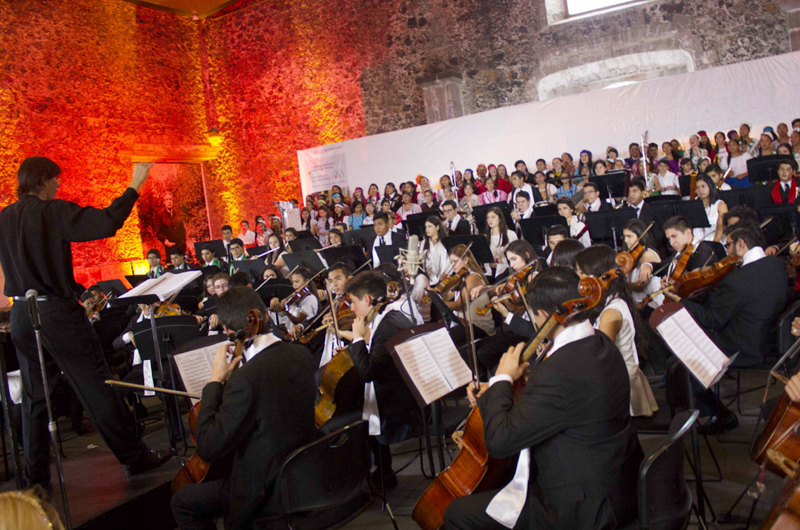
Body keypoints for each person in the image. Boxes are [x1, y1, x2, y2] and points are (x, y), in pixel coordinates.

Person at [0, 158, 173, 491]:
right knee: (96, 386)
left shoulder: (4, 218)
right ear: (43, 181)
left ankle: (35, 481)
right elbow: (106, 223)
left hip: (22, 315)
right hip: (56, 315)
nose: (58, 187)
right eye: (56, 181)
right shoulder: (52, 211)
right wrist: (135, 185)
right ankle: (135, 457)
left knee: (35, 399)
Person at [443, 267, 643, 530]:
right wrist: (497, 387)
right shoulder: (603, 345)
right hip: (617, 482)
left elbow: (500, 442)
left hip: (578, 506)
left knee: (456, 512)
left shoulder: (557, 370)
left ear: (542, 316)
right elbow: (566, 401)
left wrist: (502, 379)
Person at [171, 286, 319, 530]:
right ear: (265, 315)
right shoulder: (301, 353)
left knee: (182, 501)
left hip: (265, 490)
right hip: (302, 474)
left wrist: (215, 382)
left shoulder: (247, 378)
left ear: (229, 331)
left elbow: (208, 447)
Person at [345, 271, 419, 488]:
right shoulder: (389, 316)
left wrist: (358, 338)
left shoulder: (387, 325)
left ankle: (375, 473)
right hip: (394, 389)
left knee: (354, 405)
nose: (351, 309)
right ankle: (382, 470)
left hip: (396, 402)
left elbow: (368, 373)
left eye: (352, 302)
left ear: (367, 299)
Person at [576, 245, 658, 417]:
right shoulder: (612, 301)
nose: (579, 280)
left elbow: (600, 357)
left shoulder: (611, 313)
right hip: (619, 378)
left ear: (599, 275)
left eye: (582, 273)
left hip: (621, 390)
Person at [622, 219, 663, 309]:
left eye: (629, 236)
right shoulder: (629, 255)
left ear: (640, 235)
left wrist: (619, 282)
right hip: (639, 304)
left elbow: (640, 286)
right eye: (624, 236)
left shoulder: (648, 254)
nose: (626, 240)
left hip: (653, 304)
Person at [484, 206, 517, 280]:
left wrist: (499, 260)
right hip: (490, 272)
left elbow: (516, 255)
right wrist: (489, 264)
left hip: (506, 270)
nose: (490, 220)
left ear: (500, 219)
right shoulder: (485, 237)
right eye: (488, 218)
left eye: (493, 217)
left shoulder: (510, 234)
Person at [692, 174, 728, 243]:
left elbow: (721, 227)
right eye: (697, 187)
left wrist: (714, 245)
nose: (700, 190)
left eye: (703, 186)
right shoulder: (693, 204)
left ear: (710, 187)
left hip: (716, 243)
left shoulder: (720, 205)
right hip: (697, 243)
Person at [155, 191, 187, 256]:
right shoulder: (160, 214)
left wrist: (183, 243)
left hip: (180, 247)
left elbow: (182, 229)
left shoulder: (177, 213)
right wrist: (166, 242)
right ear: (164, 202)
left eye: (170, 199)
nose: (169, 201)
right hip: (169, 248)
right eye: (167, 200)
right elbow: (158, 232)